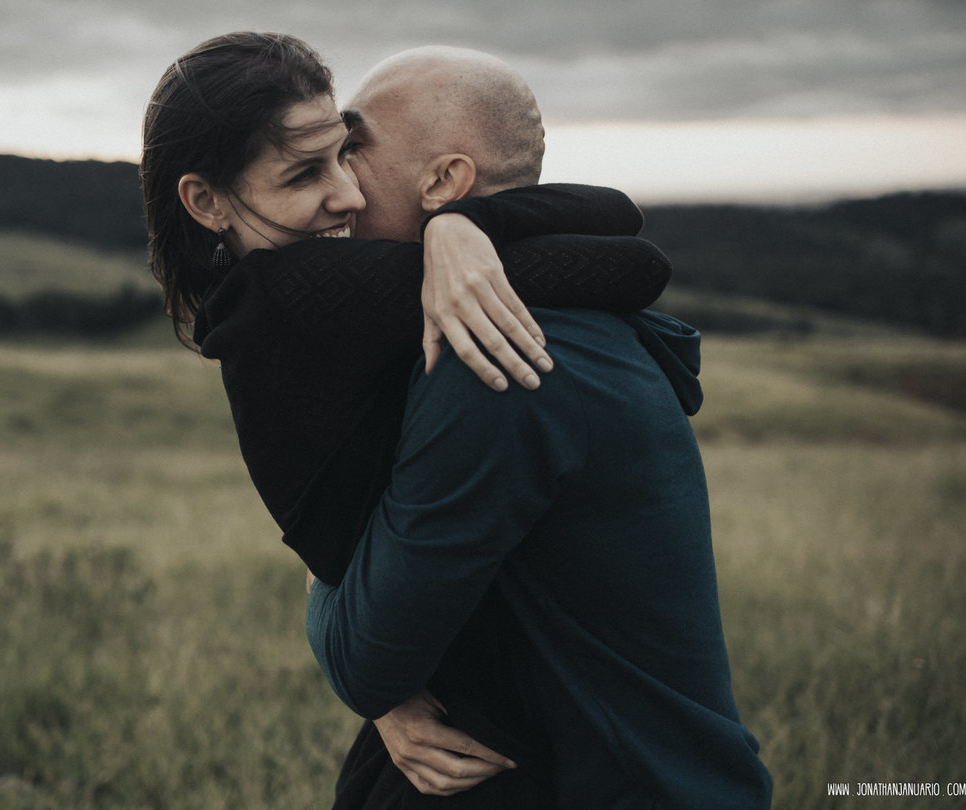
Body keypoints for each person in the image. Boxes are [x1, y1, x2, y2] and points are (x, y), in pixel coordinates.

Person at [140, 32, 674, 807]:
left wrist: (458, 228)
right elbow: (631, 257)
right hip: (472, 722)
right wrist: (455, 231)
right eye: (303, 173)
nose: (348, 195)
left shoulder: (266, 293)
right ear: (206, 200)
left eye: (343, 156)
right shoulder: (287, 295)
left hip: (448, 686)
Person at [305, 47, 774, 808]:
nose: (335, 180)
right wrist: (451, 231)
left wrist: (323, 581)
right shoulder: (572, 313)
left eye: (352, 147)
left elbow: (366, 665)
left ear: (443, 181)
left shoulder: (497, 360)